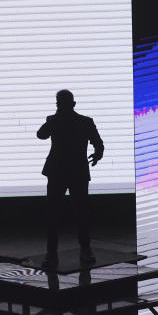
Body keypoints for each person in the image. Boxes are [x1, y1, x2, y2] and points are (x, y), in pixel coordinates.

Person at [37, 89, 103, 267]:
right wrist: (97, 154)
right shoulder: (84, 122)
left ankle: (52, 254)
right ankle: (83, 251)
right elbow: (99, 144)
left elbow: (40, 135)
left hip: (60, 172)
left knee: (56, 214)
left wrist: (54, 118)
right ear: (73, 103)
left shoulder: (56, 120)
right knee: (80, 213)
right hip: (76, 172)